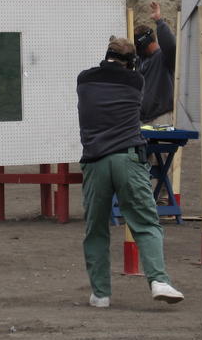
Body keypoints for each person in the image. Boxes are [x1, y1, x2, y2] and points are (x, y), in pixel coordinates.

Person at [76, 35, 184, 307]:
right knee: (146, 224)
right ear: (130, 62)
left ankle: (100, 294)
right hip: (129, 159)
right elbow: (143, 105)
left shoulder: (84, 79)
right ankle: (158, 280)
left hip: (95, 162)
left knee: (96, 230)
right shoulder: (135, 80)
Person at [134, 1, 176, 125]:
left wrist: (159, 21)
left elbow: (171, 45)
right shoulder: (141, 60)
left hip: (161, 118)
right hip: (143, 120)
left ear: (144, 43)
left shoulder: (163, 57)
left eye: (137, 44)